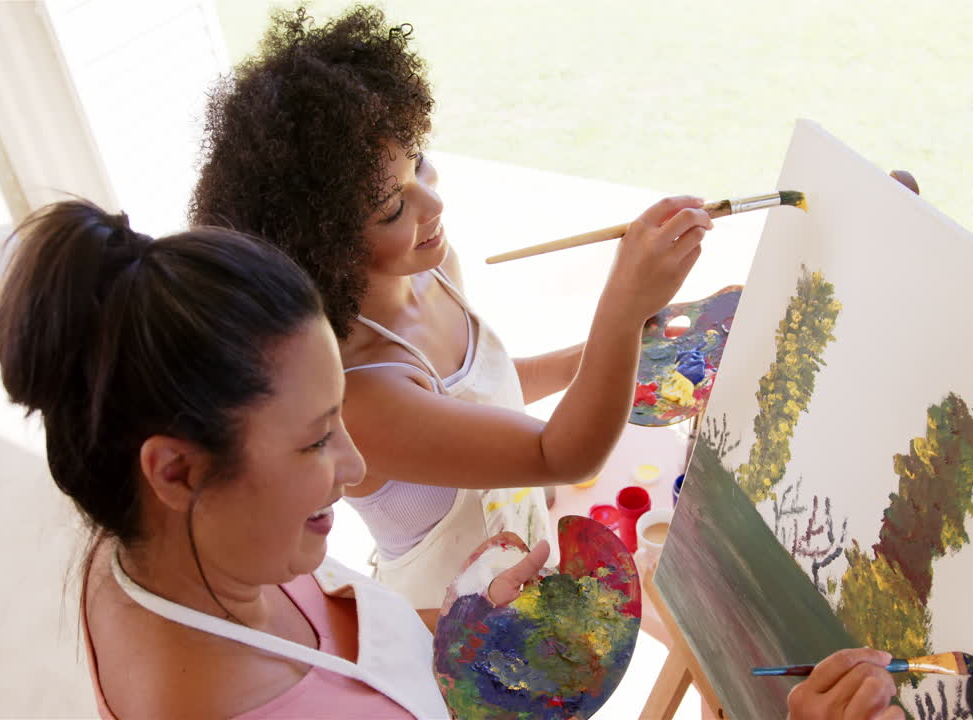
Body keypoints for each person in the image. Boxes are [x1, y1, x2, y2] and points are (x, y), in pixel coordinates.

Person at [0, 199, 901, 720]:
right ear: (176, 471)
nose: (356, 466)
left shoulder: (153, 553)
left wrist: (453, 634)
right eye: (316, 440)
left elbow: (329, 645)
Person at [190, 5, 715, 621]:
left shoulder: (431, 267)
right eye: (393, 208)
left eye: (418, 161)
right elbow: (562, 455)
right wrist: (620, 312)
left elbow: (483, 392)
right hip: (447, 629)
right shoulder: (360, 390)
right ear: (322, 241)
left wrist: (603, 351)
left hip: (513, 576)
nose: (431, 203)